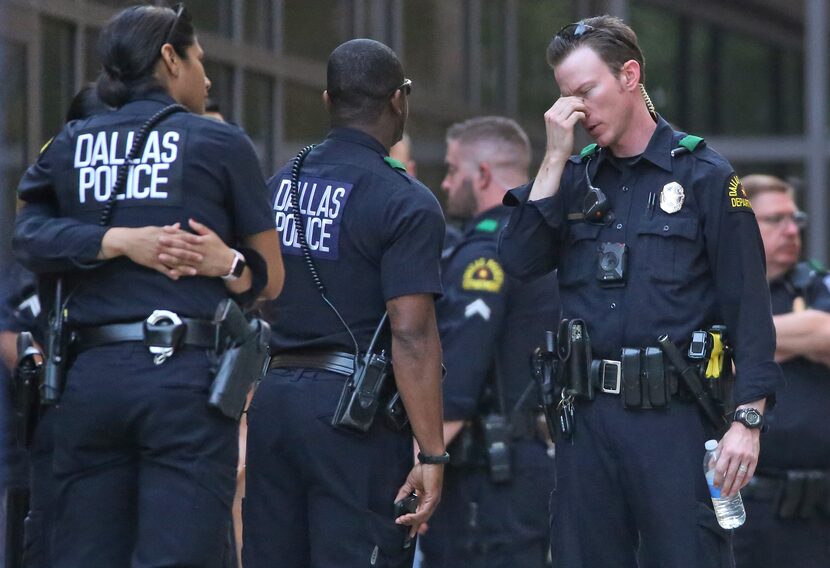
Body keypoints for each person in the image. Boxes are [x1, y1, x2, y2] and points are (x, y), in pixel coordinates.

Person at [497, 15, 782, 567]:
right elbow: (518, 261)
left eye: (585, 92)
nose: (573, 112)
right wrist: (553, 158)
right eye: (564, 98)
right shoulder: (573, 178)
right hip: (585, 420)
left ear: (630, 75)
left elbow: (749, 307)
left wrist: (748, 421)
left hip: (674, 419)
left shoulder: (704, 176)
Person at [12, 4, 283, 566]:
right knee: (177, 554)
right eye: (200, 61)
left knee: (86, 555)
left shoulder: (72, 142)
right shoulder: (222, 144)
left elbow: (28, 236)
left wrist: (107, 242)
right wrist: (224, 263)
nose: (207, 79)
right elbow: (270, 278)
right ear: (169, 57)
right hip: (183, 380)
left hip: (90, 382)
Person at [243, 38, 446, 568]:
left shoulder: (274, 186)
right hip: (353, 418)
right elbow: (411, 333)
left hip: (275, 399)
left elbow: (256, 295)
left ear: (329, 101)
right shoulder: (404, 199)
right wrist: (431, 452)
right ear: (398, 102)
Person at [419, 116, 558, 567]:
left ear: (480, 175)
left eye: (452, 169)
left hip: (486, 476)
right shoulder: (546, 243)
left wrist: (422, 466)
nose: (444, 182)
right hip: (529, 463)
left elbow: (458, 378)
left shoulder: (488, 252)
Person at [731, 175, 830, 568]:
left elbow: (824, 333)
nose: (791, 231)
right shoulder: (718, 288)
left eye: (796, 219)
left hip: (815, 515)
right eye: (775, 220)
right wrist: (799, 339)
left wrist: (745, 346)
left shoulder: (815, 284)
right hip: (741, 508)